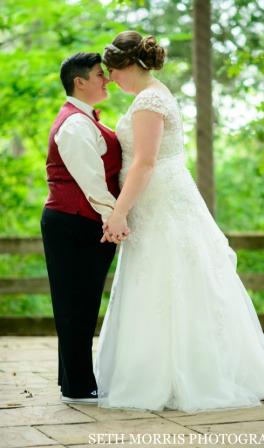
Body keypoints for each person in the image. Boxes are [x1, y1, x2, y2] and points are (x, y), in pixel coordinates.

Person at [94, 31, 264, 412]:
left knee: (172, 279)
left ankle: (184, 375)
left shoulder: (150, 99)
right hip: (154, 201)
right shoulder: (148, 95)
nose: (111, 78)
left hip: (162, 200)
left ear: (129, 65)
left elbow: (145, 161)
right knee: (156, 281)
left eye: (114, 71)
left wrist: (118, 210)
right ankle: (158, 369)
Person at [41, 52, 128, 405]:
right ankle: (78, 386)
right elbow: (91, 181)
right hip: (74, 222)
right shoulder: (75, 124)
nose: (105, 79)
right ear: (80, 81)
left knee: (79, 303)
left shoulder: (85, 120)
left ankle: (73, 382)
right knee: (75, 305)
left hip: (80, 221)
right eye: (98, 74)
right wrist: (114, 217)